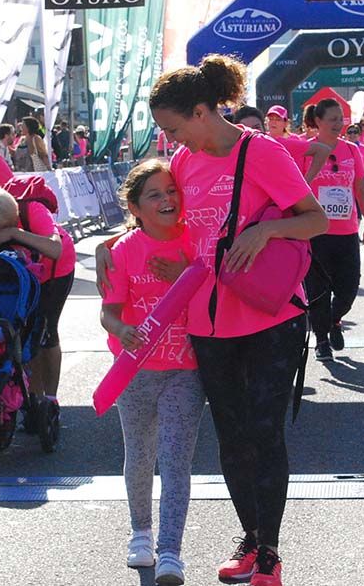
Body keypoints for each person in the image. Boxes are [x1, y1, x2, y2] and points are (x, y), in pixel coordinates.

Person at [99, 55, 327, 586]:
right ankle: (251, 536)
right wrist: (115, 244)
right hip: (207, 320)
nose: (170, 139)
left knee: (266, 432)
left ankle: (269, 552)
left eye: (174, 127)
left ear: (202, 111)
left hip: (271, 316)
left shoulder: (261, 151)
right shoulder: (183, 162)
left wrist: (266, 232)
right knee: (230, 435)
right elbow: (157, 219)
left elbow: (315, 219)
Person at [101, 160, 204, 585]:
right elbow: (107, 313)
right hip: (136, 370)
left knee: (176, 460)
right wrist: (122, 329)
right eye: (155, 195)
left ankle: (170, 552)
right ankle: (140, 533)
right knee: (140, 455)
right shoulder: (122, 251)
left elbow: (217, 289)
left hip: (187, 369)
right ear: (135, 206)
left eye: (172, 191)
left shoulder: (197, 241)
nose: (167, 201)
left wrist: (186, 275)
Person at [0, 185, 76, 449]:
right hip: (21, 274)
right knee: (24, 335)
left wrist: (14, 234)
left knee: (46, 332)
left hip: (54, 271)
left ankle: (50, 397)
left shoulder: (33, 211)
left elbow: (54, 249)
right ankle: (32, 396)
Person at [302, 99, 364, 363]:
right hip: (314, 232)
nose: (337, 124)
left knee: (348, 288)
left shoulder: (351, 150)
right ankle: (322, 341)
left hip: (346, 232)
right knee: (318, 289)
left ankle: (334, 319)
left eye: (340, 118)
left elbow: (360, 187)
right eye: (331, 119)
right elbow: (294, 186)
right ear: (318, 122)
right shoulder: (304, 148)